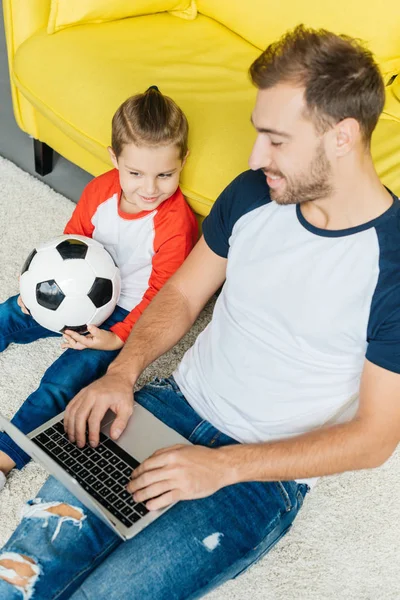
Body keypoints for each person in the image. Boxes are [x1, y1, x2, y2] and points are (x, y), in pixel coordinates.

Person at [1, 24, 400, 600]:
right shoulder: (255, 193)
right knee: (21, 575)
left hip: (259, 478)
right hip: (173, 406)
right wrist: (122, 372)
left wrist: (222, 467)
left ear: (342, 137)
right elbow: (185, 294)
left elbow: (375, 438)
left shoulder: (391, 266)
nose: (255, 155)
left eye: (276, 140)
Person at [0, 86, 198, 491]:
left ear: (183, 162)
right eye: (136, 173)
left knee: (63, 382)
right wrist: (39, 291)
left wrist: (117, 339)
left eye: (166, 174)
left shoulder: (175, 223)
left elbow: (164, 295)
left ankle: (6, 456)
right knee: (11, 313)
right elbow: (72, 240)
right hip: (76, 291)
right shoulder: (101, 191)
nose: (150, 188)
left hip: (126, 313)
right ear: (114, 159)